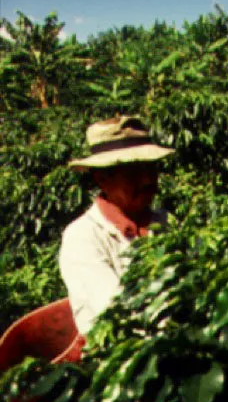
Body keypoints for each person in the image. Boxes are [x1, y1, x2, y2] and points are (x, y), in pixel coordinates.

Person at [59, 115, 174, 335]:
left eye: (151, 169)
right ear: (101, 178)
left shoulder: (164, 221)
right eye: (133, 173)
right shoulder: (83, 237)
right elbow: (121, 313)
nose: (148, 181)